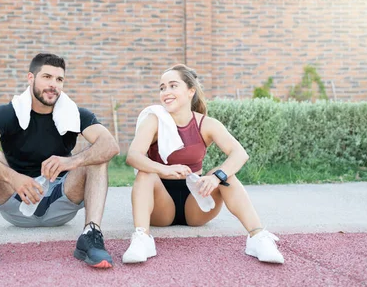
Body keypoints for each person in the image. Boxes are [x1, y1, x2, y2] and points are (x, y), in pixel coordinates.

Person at [0, 53, 120, 271]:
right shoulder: (9, 113)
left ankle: (91, 234)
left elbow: (110, 146)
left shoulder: (74, 113)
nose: (53, 85)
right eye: (47, 77)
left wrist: (71, 162)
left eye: (59, 79)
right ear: (31, 78)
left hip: (60, 199)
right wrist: (13, 178)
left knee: (95, 157)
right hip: (17, 199)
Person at [122, 64, 284, 264]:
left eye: (173, 86)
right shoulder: (154, 120)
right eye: (162, 88)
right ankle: (142, 238)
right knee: (145, 173)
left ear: (191, 91)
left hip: (196, 203)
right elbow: (133, 156)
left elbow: (239, 154)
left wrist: (217, 177)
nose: (166, 92)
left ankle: (258, 237)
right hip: (160, 204)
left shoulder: (207, 124)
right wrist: (165, 169)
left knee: (225, 176)